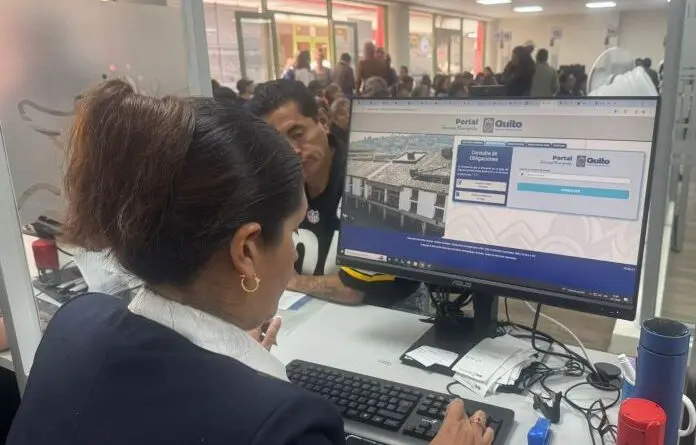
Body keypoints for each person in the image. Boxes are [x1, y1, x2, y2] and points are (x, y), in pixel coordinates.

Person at [6, 79, 493, 445]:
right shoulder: (281, 425)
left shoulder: (76, 322)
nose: (294, 252)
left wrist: (225, 358)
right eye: (294, 231)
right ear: (246, 250)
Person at [249, 80, 412, 305]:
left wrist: (291, 281)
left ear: (324, 122)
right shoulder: (271, 186)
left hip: (383, 315)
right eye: (277, 144)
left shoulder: (371, 178)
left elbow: (354, 289)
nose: (292, 151)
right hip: (302, 312)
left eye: (297, 134)